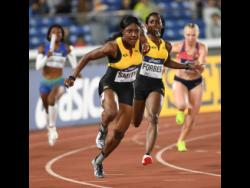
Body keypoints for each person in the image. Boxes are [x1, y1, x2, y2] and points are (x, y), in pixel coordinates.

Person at [64, 15, 148, 178]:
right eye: (129, 31)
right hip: (110, 84)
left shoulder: (142, 42)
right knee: (111, 112)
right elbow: (87, 56)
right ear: (122, 32)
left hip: (127, 88)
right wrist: (73, 76)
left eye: (135, 31)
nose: (133, 35)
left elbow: (149, 33)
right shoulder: (112, 47)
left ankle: (98, 161)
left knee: (119, 133)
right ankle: (102, 129)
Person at [132, 12, 202, 165]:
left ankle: (147, 154)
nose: (156, 25)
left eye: (158, 22)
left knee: (154, 118)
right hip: (140, 83)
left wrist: (186, 65)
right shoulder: (142, 40)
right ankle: (141, 113)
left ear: (162, 25)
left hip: (156, 84)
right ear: (148, 25)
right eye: (152, 22)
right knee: (136, 122)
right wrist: (142, 30)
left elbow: (168, 62)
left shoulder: (167, 45)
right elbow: (134, 31)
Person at [35, 24, 78, 146]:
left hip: (59, 81)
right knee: (47, 107)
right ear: (49, 35)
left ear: (62, 35)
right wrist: (47, 57)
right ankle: (50, 129)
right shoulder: (43, 48)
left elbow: (75, 65)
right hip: (45, 82)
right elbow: (38, 66)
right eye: (54, 32)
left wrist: (75, 75)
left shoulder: (67, 48)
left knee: (51, 99)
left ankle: (52, 126)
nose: (56, 34)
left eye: (59, 32)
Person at [171, 23, 207, 152]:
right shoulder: (179, 46)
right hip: (181, 80)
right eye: (188, 35)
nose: (190, 38)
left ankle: (181, 140)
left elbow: (202, 69)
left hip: (196, 82)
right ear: (184, 34)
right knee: (182, 105)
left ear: (197, 34)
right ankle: (180, 110)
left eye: (193, 35)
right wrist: (163, 66)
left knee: (192, 116)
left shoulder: (201, 48)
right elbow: (163, 54)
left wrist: (197, 64)